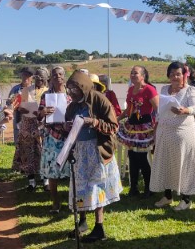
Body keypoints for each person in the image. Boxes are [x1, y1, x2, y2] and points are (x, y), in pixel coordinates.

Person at [64, 71, 122, 243]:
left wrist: (94, 122)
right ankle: (82, 222)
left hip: (97, 151)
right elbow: (68, 125)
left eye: (75, 88)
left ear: (84, 86)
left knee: (97, 188)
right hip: (80, 151)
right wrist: (67, 128)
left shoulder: (99, 99)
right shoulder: (72, 106)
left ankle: (99, 227)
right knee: (79, 187)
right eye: (70, 89)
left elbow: (113, 127)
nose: (72, 92)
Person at [151, 61, 195, 210]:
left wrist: (185, 110)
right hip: (165, 131)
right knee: (166, 163)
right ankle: (167, 196)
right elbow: (161, 108)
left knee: (184, 164)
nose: (175, 77)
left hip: (183, 133)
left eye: (178, 74)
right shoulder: (164, 89)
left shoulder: (190, 90)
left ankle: (186, 199)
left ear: (184, 75)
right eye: (172, 74)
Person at [117, 66, 158, 197]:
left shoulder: (149, 89)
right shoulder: (130, 90)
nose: (133, 75)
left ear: (143, 76)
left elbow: (157, 109)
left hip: (144, 127)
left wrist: (157, 126)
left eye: (136, 73)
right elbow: (129, 109)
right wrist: (118, 118)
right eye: (131, 72)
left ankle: (148, 187)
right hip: (132, 126)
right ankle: (133, 188)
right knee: (132, 157)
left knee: (143, 158)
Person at [38, 66, 71, 213]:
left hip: (69, 136)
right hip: (52, 136)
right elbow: (38, 116)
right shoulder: (46, 95)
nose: (58, 77)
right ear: (50, 78)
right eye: (54, 75)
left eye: (60, 74)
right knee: (52, 171)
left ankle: (73, 201)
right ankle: (55, 203)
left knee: (72, 170)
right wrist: (43, 112)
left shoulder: (71, 94)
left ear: (64, 77)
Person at [14, 67, 49, 191]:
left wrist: (43, 112)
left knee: (44, 152)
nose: (39, 78)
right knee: (28, 153)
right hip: (27, 125)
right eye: (37, 76)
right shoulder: (25, 90)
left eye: (42, 76)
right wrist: (22, 109)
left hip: (43, 126)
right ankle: (31, 181)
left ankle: (46, 181)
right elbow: (20, 108)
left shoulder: (48, 92)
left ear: (46, 78)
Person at [9, 67, 36, 143]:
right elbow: (9, 104)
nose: (26, 77)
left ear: (32, 77)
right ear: (21, 76)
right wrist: (13, 103)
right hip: (19, 120)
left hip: (33, 122)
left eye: (28, 75)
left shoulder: (35, 89)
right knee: (19, 145)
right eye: (24, 75)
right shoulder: (15, 89)